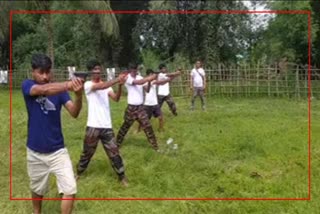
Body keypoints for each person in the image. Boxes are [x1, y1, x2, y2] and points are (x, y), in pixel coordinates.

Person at [21, 53, 84, 214]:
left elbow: (74, 112)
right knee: (37, 189)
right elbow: (43, 90)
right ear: (33, 71)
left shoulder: (60, 91)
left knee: (70, 189)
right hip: (35, 150)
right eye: (40, 72)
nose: (44, 76)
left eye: (47, 72)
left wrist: (78, 96)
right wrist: (69, 85)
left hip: (57, 150)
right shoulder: (27, 85)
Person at [75, 59, 128, 186]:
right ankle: (78, 173)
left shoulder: (107, 85)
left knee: (114, 152)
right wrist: (117, 79)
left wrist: (120, 85)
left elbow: (116, 99)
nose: (98, 72)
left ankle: (122, 176)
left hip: (106, 126)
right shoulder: (88, 85)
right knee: (87, 153)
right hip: (93, 125)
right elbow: (100, 87)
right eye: (95, 70)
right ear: (91, 72)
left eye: (99, 69)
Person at [116, 63, 159, 151]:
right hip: (131, 108)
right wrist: (150, 77)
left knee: (147, 126)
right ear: (129, 70)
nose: (134, 71)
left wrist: (150, 80)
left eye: (135, 69)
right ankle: (117, 144)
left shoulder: (140, 77)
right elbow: (138, 83)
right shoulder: (127, 78)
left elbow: (147, 90)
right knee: (125, 126)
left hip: (140, 108)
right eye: (132, 69)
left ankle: (155, 146)